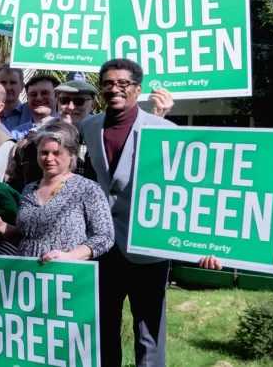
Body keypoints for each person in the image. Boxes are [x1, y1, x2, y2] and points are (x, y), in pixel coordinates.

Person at [80, 58, 219, 367]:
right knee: (103, 327)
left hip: (148, 247)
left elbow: (188, 190)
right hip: (104, 246)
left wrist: (204, 243)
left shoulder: (164, 130)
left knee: (149, 333)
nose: (114, 89)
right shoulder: (89, 126)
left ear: (137, 89)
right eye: (108, 83)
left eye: (122, 84)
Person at [0, 122, 114, 265]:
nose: (49, 159)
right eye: (44, 152)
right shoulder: (29, 190)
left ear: (71, 154)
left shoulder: (88, 189)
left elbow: (105, 237)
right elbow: (28, 239)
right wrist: (1, 227)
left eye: (57, 153)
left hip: (66, 277)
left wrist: (71, 256)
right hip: (28, 275)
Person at [8, 74, 60, 139]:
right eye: (33, 94)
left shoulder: (68, 129)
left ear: (57, 96)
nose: (39, 98)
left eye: (45, 93)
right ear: (27, 98)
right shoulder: (16, 134)